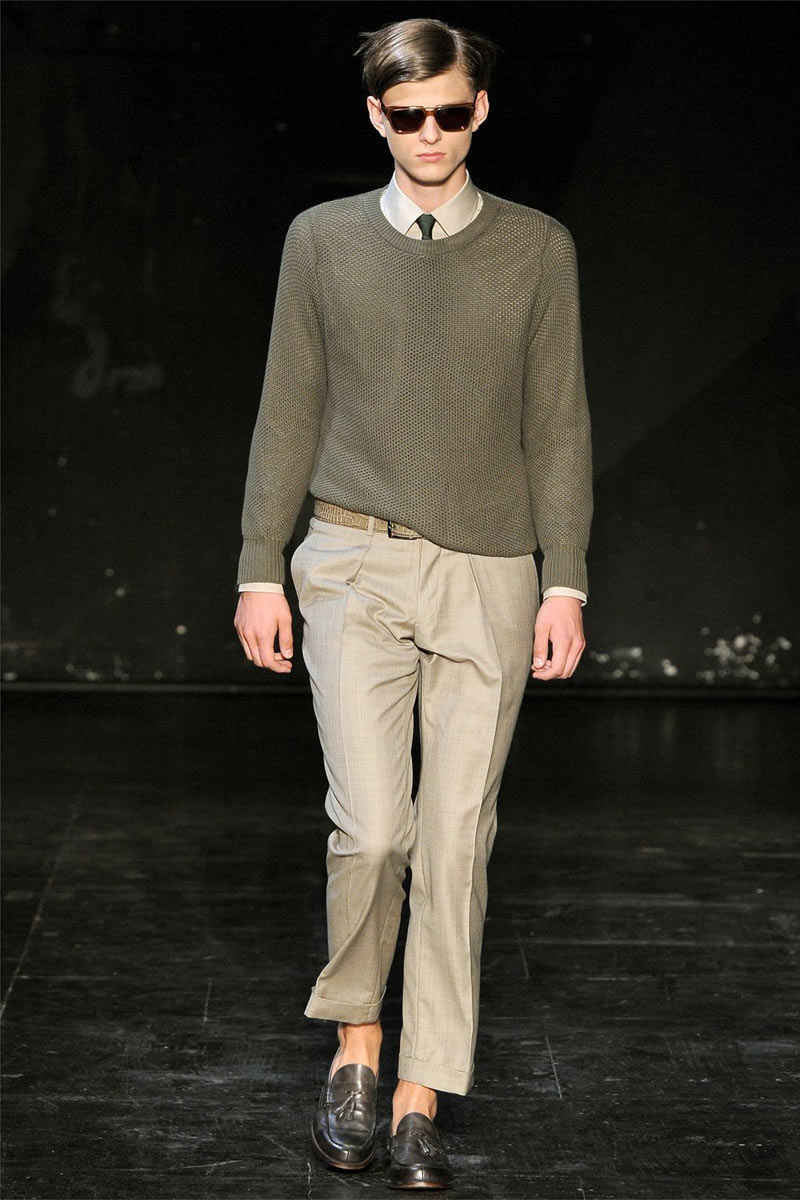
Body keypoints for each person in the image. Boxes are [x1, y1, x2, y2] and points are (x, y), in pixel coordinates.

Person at [233, 16, 592, 1189]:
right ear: (375, 118)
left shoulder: (535, 249)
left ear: (478, 110)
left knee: (453, 843)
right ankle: (356, 1047)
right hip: (350, 559)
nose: (428, 133)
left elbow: (557, 425)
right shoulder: (321, 241)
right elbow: (287, 404)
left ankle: (420, 1091)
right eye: (405, 115)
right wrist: (257, 562)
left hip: (489, 574)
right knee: (374, 827)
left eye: (447, 111)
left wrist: (564, 577)